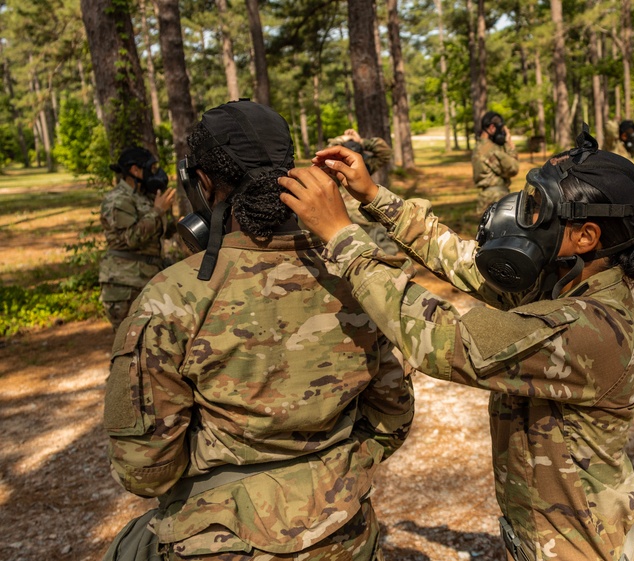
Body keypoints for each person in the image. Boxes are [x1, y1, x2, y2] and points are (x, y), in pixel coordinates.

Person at [279, 128, 634, 561]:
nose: (522, 215)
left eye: (537, 208)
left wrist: (342, 235)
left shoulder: (586, 329)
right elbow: (456, 257)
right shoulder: (563, 282)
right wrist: (373, 195)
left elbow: (441, 341)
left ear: (586, 237)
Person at [103, 100, 414, 560]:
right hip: (345, 532)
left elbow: (143, 472)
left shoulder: (170, 298)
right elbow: (393, 419)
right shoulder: (353, 275)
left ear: (201, 183)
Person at [99, 147, 176, 332]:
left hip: (147, 279)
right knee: (129, 351)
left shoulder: (145, 197)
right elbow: (131, 238)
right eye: (151, 168)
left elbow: (161, 232)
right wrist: (158, 212)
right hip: (125, 285)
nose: (155, 173)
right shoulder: (118, 200)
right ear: (135, 170)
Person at [328, 128, 398, 254]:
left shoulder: (363, 166)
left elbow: (385, 152)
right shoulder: (337, 168)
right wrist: (355, 141)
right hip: (349, 218)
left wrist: (350, 141)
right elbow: (325, 155)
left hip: (365, 217)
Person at [472, 110, 519, 214]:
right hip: (497, 198)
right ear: (492, 128)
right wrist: (510, 145)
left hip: (485, 198)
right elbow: (513, 168)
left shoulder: (479, 147)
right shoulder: (492, 150)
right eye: (500, 129)